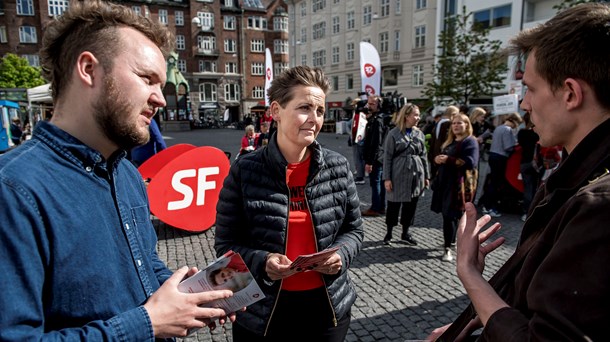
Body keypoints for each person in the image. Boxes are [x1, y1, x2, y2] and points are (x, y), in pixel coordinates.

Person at [0, 2, 237, 340]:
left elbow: (143, 263)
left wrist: (187, 293)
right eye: (147, 79)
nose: (161, 99)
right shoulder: (13, 190)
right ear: (88, 69)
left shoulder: (127, 174)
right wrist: (148, 323)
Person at [428, 4, 610, 340]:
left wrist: (469, 273)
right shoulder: (574, 175)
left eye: (531, 88)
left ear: (570, 93)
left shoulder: (599, 206)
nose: (524, 104)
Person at [215, 65, 363, 341]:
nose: (314, 119)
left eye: (320, 111)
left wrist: (340, 256)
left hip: (327, 309)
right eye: (304, 108)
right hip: (263, 313)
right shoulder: (245, 170)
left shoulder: (338, 167)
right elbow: (225, 243)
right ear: (276, 112)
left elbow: (355, 231)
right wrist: (263, 261)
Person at [430, 114, 479, 262]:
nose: (456, 126)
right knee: (448, 215)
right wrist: (437, 159)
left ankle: (449, 247)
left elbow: (471, 162)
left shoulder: (470, 141)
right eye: (454, 123)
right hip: (445, 184)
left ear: (466, 125)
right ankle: (450, 242)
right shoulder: (450, 141)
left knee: (451, 215)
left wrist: (448, 160)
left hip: (459, 187)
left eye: (459, 123)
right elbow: (443, 157)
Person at [382, 103, 429, 246]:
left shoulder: (419, 133)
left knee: (411, 206)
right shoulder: (393, 134)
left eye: (418, 114)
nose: (418, 117)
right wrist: (387, 178)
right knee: (393, 205)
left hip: (416, 174)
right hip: (398, 173)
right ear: (406, 116)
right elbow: (387, 157)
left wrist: (426, 176)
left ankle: (405, 233)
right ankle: (389, 232)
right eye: (415, 114)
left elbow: (424, 155)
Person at [479, 112, 522, 217]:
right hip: (500, 157)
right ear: (514, 121)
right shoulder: (507, 130)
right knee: (496, 183)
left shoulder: (499, 128)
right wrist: (515, 145)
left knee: (493, 182)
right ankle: (489, 206)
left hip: (493, 155)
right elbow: (508, 147)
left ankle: (486, 204)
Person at [362, 95, 387, 216]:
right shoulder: (376, 118)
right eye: (369, 103)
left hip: (376, 158)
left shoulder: (377, 120)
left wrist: (370, 162)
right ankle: (381, 206)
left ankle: (375, 208)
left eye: (372, 104)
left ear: (378, 105)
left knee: (376, 183)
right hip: (379, 157)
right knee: (380, 183)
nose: (369, 106)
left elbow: (376, 143)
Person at [516, 112, 539, 222]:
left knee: (527, 188)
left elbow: (520, 145)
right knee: (536, 188)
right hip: (536, 163)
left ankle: (526, 212)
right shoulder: (536, 133)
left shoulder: (521, 133)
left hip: (524, 162)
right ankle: (533, 211)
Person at [428, 105, 459, 179]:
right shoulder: (448, 124)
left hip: (436, 150)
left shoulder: (439, 122)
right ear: (453, 114)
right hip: (443, 151)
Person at [350, 99, 367, 185]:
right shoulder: (363, 114)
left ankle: (360, 177)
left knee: (359, 158)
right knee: (360, 158)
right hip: (360, 138)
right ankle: (361, 174)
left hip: (358, 139)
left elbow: (355, 128)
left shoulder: (359, 114)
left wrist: (353, 139)